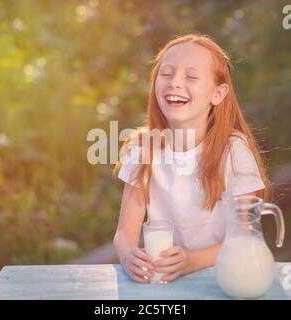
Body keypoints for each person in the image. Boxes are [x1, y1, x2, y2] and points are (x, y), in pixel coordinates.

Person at [113, 34, 269, 284]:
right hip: (164, 280)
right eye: (166, 73)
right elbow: (125, 232)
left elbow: (245, 237)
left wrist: (191, 261)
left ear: (217, 94)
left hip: (224, 277)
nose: (175, 82)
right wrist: (127, 254)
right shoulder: (142, 147)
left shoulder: (233, 151)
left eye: (191, 76)